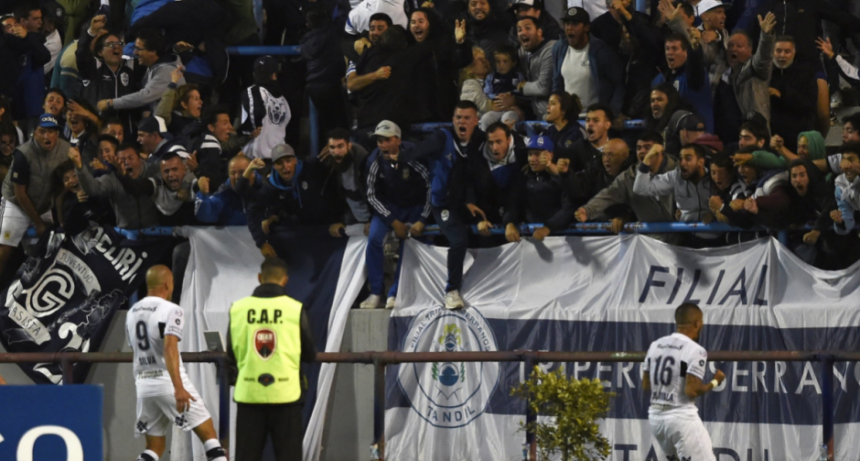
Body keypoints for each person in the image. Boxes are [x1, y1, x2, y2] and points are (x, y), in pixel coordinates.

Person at [126, 265, 227, 461]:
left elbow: (135, 348)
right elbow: (170, 347)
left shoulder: (132, 312)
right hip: (169, 382)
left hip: (144, 385)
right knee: (210, 437)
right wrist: (178, 387)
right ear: (167, 285)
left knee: (154, 448)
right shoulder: (171, 309)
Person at [398, 101, 487, 310]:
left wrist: (470, 200)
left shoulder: (480, 141)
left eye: (466, 118)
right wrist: (398, 160)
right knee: (459, 240)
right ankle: (452, 291)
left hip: (467, 202)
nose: (461, 122)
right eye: (458, 117)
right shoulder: (441, 138)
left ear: (476, 121)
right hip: (443, 205)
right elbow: (413, 154)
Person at [226, 257, 316, 461]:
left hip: (249, 395)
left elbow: (231, 353)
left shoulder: (238, 309)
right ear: (285, 280)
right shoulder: (294, 309)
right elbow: (309, 353)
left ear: (260, 277)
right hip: (287, 395)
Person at [361, 121, 431, 309]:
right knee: (374, 239)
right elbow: (371, 195)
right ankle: (376, 292)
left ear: (398, 140)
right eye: (379, 141)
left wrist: (423, 219)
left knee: (410, 242)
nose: (383, 145)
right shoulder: (374, 160)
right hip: (390, 206)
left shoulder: (415, 155)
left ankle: (395, 291)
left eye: (387, 140)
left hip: (414, 206)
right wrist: (392, 221)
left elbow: (431, 187)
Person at [643, 303, 725, 461]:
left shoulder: (655, 345)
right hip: (681, 418)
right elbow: (691, 391)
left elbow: (646, 385)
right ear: (697, 324)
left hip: (656, 419)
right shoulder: (695, 349)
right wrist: (715, 381)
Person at [577, 131, 680, 242]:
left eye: (647, 147)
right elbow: (608, 195)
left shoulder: (680, 171)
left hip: (683, 239)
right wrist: (588, 210)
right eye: (639, 148)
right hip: (650, 242)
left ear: (660, 150)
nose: (642, 151)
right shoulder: (629, 177)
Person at [0, 114, 70, 277]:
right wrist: (38, 223)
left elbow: (61, 189)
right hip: (16, 204)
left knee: (50, 250)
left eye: (51, 132)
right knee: (4, 248)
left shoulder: (66, 151)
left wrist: (60, 220)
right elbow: (19, 192)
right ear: (34, 133)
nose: (47, 136)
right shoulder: (23, 154)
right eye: (42, 131)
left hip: (44, 204)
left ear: (57, 134)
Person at [713, 15, 776, 146]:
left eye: (739, 46)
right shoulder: (720, 70)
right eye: (730, 45)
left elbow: (763, 59)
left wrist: (766, 36)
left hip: (752, 141)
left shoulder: (754, 70)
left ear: (750, 50)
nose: (733, 49)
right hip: (723, 143)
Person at [551, 7, 624, 119]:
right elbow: (557, 82)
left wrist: (612, 113)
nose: (569, 28)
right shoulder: (559, 49)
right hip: (569, 118)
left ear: (587, 27)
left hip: (594, 118)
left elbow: (619, 84)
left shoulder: (601, 51)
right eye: (567, 23)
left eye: (575, 24)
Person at [76, 14, 140, 136]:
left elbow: (152, 56)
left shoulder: (131, 66)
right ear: (100, 52)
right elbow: (82, 56)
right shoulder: (94, 68)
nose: (116, 47)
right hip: (99, 133)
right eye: (110, 44)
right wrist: (91, 32)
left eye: (119, 43)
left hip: (127, 134)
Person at [73, 142, 161, 229]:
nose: (127, 162)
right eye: (122, 160)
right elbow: (94, 189)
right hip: (127, 233)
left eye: (131, 158)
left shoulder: (152, 171)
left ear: (140, 159)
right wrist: (80, 168)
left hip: (156, 230)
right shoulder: (113, 178)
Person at [506, 135, 575, 242]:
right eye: (530, 154)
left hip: (560, 239)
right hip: (528, 239)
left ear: (550, 155)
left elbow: (568, 208)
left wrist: (548, 228)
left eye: (537, 154)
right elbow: (513, 204)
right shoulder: (523, 176)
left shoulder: (562, 176)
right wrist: (509, 223)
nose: (532, 159)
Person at [99, 29, 185, 114]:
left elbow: (144, 96)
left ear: (152, 51)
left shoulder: (167, 71)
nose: (135, 52)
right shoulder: (152, 67)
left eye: (138, 49)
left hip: (177, 121)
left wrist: (111, 103)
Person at [652, 33, 713, 133]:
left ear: (686, 52)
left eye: (674, 48)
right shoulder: (660, 79)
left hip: (698, 135)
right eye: (667, 49)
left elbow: (695, 64)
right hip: (675, 136)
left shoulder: (694, 75)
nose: (669, 52)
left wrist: (695, 48)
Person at [319, 128, 372, 233]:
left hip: (372, 214)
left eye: (340, 146)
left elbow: (377, 194)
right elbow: (331, 194)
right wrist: (336, 220)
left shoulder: (365, 162)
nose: (336, 152)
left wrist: (373, 219)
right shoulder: (328, 163)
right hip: (350, 215)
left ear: (349, 145)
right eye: (332, 147)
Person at [769, 35, 817, 152]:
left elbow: (809, 104)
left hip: (798, 134)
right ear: (772, 52)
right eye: (778, 51)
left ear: (794, 53)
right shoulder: (766, 73)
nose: (782, 55)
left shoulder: (806, 73)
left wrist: (782, 95)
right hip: (772, 135)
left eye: (787, 51)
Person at [239, 56, 291, 160]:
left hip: (256, 157)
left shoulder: (252, 91)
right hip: (277, 156)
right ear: (274, 75)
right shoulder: (283, 99)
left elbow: (254, 120)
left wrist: (241, 134)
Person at [832, 142, 860, 236]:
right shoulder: (841, 185)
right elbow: (846, 214)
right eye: (844, 160)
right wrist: (840, 222)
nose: (845, 166)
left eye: (850, 160)